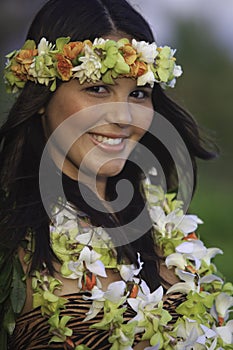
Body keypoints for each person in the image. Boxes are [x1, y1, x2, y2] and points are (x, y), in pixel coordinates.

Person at [0, 0, 232, 349]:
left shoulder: (168, 227)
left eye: (139, 93)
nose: (124, 116)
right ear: (42, 95)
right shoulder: (8, 236)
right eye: (97, 89)